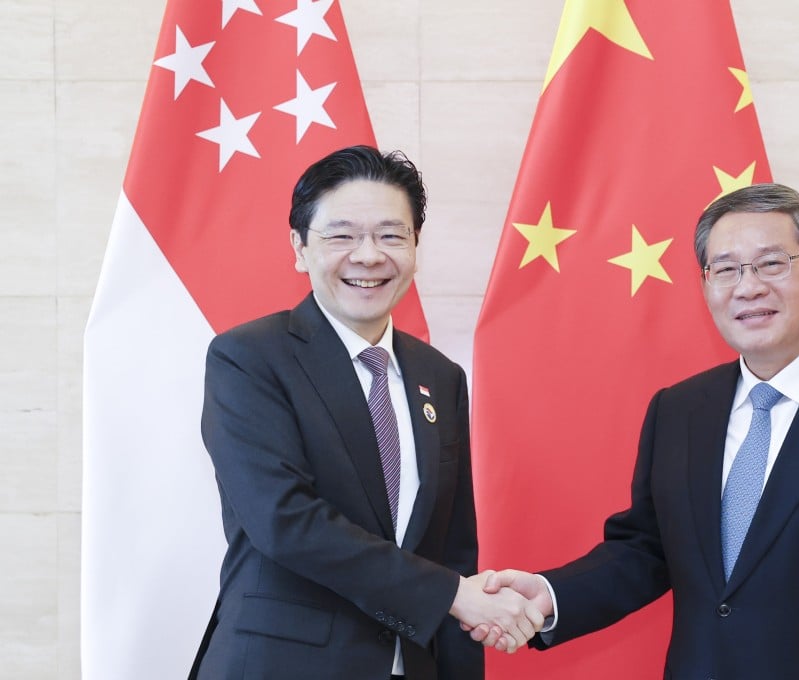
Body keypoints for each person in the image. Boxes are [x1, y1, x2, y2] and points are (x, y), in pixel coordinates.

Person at [472, 183, 799, 679]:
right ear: (706, 285)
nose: (748, 287)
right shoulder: (680, 410)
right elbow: (647, 550)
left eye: (772, 264)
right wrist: (551, 595)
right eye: (726, 269)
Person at [189, 145, 544, 680]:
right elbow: (285, 520)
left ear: (416, 247)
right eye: (342, 236)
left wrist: (462, 617)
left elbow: (452, 551)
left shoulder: (440, 377)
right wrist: (452, 595)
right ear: (299, 247)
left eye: (391, 235)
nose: (369, 256)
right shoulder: (249, 358)